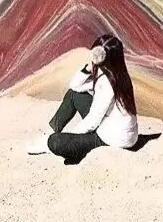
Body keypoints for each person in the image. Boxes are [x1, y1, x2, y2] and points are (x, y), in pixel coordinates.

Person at [26, 33, 138, 162]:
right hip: (125, 134)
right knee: (73, 95)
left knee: (54, 142)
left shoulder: (105, 83)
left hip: (111, 138)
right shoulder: (119, 74)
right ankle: (51, 129)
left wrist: (72, 137)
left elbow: (93, 120)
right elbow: (74, 87)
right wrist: (88, 69)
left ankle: (50, 138)